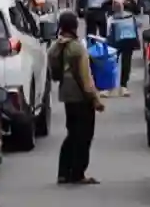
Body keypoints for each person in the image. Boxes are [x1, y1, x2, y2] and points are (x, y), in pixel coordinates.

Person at [47, 11, 103, 185]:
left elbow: (55, 73)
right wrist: (95, 99)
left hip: (66, 95)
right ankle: (78, 173)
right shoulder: (78, 48)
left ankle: (63, 172)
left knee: (72, 133)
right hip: (80, 96)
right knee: (84, 135)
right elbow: (85, 78)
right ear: (74, 27)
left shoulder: (56, 47)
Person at [106, 0, 141, 97]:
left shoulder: (113, 18)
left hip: (121, 40)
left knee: (119, 62)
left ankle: (118, 86)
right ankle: (117, 86)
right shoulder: (127, 15)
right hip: (122, 39)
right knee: (119, 62)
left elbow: (137, 10)